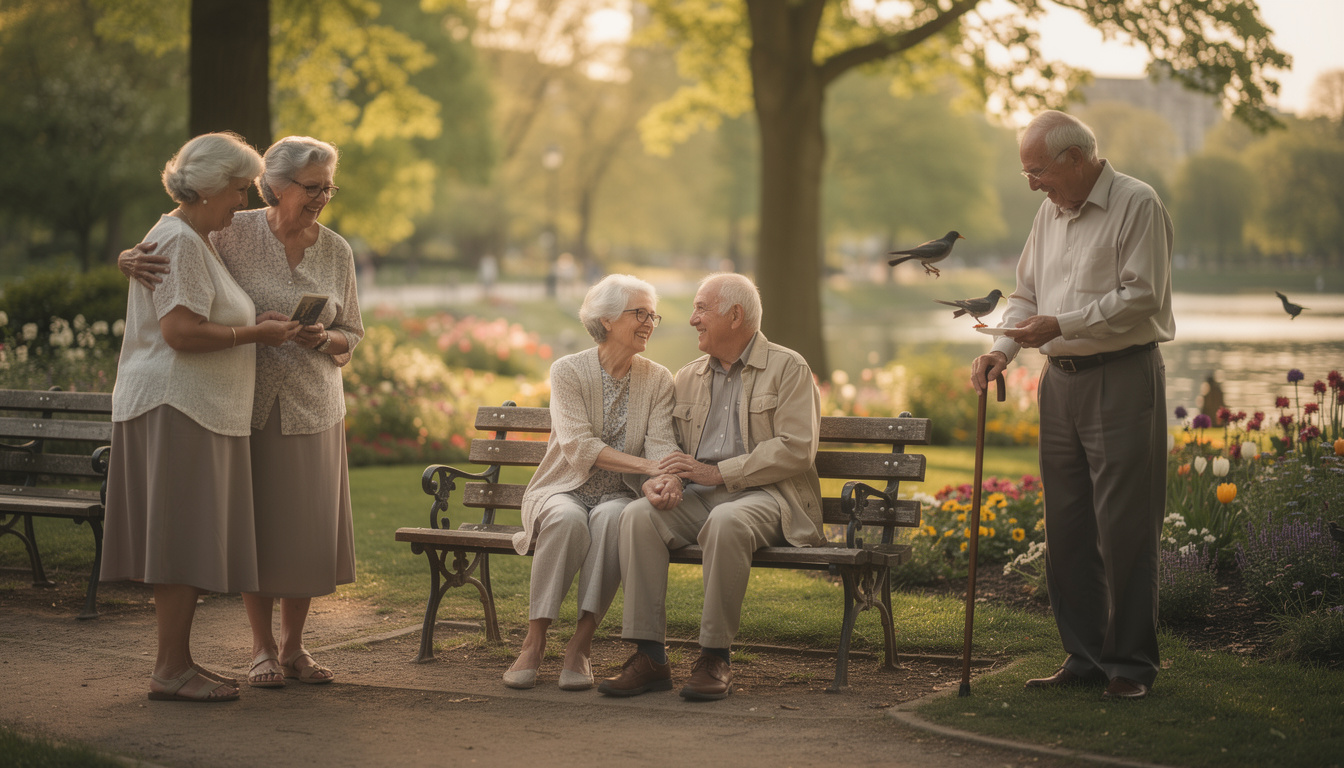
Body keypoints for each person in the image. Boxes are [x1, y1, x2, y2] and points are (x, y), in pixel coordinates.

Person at [119, 136, 364, 689]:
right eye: (312, 187)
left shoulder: (336, 250)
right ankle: (260, 650)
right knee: (258, 529)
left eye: (329, 187)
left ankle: (294, 648)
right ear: (275, 185)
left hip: (312, 403)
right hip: (240, 403)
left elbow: (352, 332)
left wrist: (325, 339)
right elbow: (174, 251)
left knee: (302, 533)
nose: (322, 197)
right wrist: (126, 258)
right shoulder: (230, 228)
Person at [970, 110, 1174, 701]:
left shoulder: (1137, 203)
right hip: (1058, 382)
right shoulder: (1048, 213)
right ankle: (1084, 658)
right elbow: (1026, 294)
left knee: (1125, 528)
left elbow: (1143, 296)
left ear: (1076, 158)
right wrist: (1002, 350)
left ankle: (1130, 665)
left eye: (1037, 171)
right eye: (1027, 173)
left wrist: (1062, 323)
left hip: (1121, 376)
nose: (1032, 184)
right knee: (1067, 526)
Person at [100, 132, 301, 703]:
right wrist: (254, 333)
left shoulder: (192, 238)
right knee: (180, 541)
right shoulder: (182, 241)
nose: (243, 201)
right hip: (179, 406)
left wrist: (251, 323)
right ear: (211, 188)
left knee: (184, 540)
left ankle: (179, 663)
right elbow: (181, 332)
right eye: (238, 189)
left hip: (192, 408)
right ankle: (169, 670)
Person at [598, 273, 824, 701]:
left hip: (769, 497)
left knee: (726, 520)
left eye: (701, 309)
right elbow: (668, 446)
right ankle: (650, 656)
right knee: (638, 516)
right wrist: (665, 480)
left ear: (735, 315)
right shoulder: (687, 377)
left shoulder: (788, 367)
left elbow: (796, 449)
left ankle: (715, 657)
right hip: (701, 496)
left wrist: (719, 473)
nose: (692, 319)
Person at [503, 274, 681, 691]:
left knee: (612, 519)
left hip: (620, 493)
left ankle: (581, 645)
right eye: (639, 313)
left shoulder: (658, 379)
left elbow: (661, 444)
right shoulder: (567, 370)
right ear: (606, 320)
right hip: (563, 487)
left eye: (652, 315)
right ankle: (534, 641)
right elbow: (578, 447)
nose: (649, 323)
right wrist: (649, 467)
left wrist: (664, 479)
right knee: (566, 520)